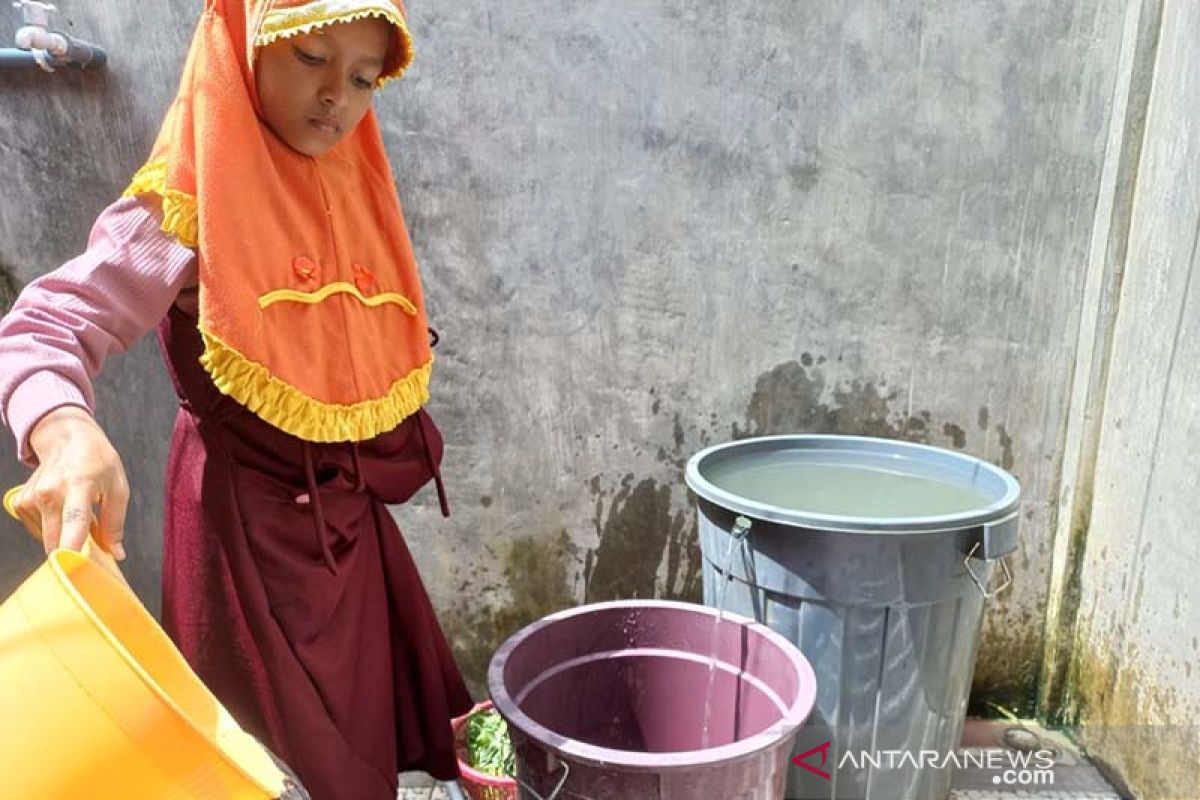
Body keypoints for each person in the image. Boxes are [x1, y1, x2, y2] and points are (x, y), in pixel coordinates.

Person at [0, 1, 473, 797]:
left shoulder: (348, 188)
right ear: (238, 45)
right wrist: (64, 427)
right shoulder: (187, 203)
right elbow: (47, 322)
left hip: (344, 539)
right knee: (265, 764)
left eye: (363, 78)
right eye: (310, 58)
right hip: (245, 539)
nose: (337, 98)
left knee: (358, 746)